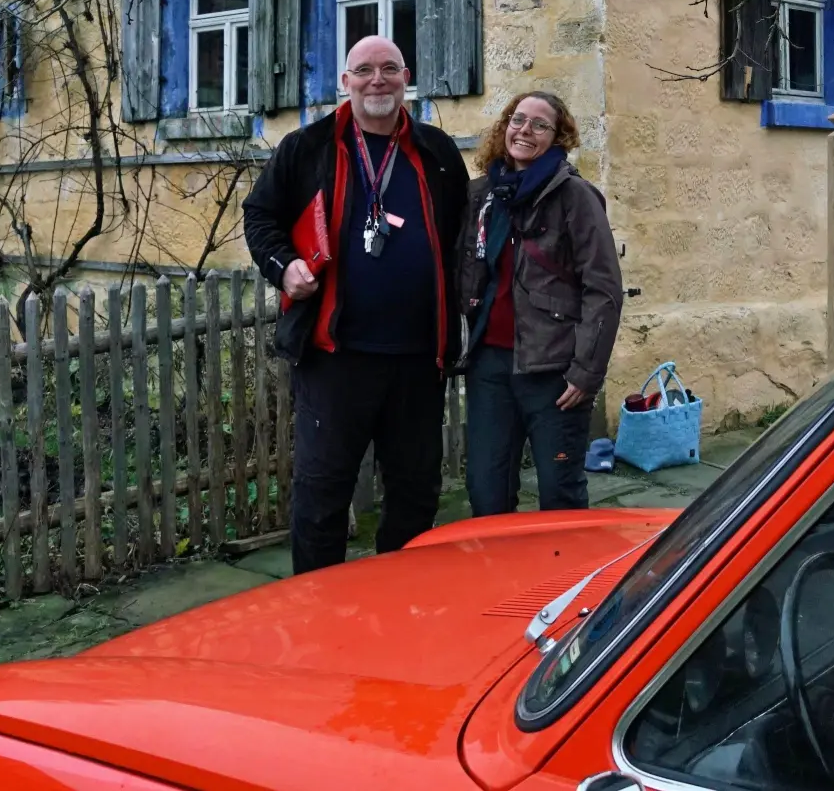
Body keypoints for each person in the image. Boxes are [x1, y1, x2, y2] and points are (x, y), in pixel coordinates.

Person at [240, 35, 468, 574]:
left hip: (419, 358)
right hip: (334, 357)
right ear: (345, 82)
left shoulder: (437, 153)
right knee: (323, 494)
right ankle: (317, 601)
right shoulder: (308, 147)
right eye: (364, 70)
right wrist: (284, 266)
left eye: (389, 68)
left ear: (406, 78)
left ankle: (399, 596)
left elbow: (459, 233)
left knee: (415, 491)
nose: (377, 80)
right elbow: (260, 216)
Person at [456, 91, 623, 516]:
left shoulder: (574, 196)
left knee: (559, 494)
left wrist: (586, 372)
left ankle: (566, 564)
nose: (525, 130)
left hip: (554, 369)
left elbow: (603, 289)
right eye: (518, 119)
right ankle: (502, 564)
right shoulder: (482, 196)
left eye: (539, 124)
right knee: (487, 493)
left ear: (557, 137)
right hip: (490, 366)